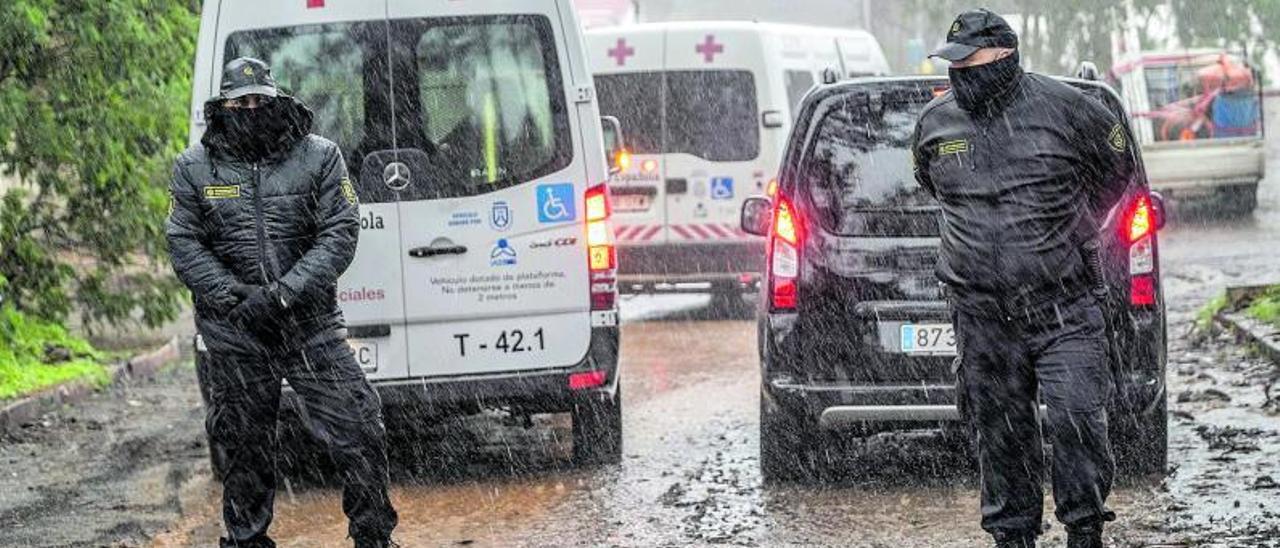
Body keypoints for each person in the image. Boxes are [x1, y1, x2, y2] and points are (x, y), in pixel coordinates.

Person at [911, 10, 1136, 548]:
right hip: (983, 316)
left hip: (1065, 306)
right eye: (953, 63)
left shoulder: (1069, 108)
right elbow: (931, 184)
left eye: (970, 62)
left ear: (1004, 58)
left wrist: (1063, 228)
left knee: (1076, 419)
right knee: (1000, 433)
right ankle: (1013, 537)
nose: (960, 72)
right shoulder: (936, 122)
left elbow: (1116, 172)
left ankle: (1084, 528)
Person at [166, 57, 398, 548]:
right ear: (223, 107)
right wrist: (236, 297)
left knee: (361, 429)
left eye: (260, 101)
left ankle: (373, 537)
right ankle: (247, 542)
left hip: (309, 325)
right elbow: (184, 242)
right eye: (241, 102)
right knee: (244, 449)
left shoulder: (319, 156)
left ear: (277, 100)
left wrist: (285, 293)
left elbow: (339, 231)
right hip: (237, 331)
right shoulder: (193, 167)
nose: (251, 110)